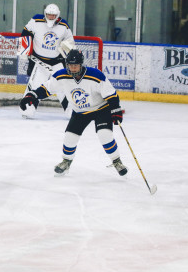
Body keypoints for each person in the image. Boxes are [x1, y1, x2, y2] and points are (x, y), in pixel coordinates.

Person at [23, 49, 128, 177]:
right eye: (70, 65)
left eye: (75, 65)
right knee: (70, 137)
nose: (73, 68)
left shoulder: (96, 75)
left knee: (104, 135)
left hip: (101, 109)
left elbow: (111, 95)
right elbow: (46, 88)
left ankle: (117, 161)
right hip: (79, 112)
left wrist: (115, 110)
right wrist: (32, 95)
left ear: (81, 64)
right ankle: (66, 162)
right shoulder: (61, 76)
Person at [19, 3, 75, 119]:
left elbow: (70, 43)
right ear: (45, 14)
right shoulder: (36, 20)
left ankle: (72, 111)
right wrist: (24, 49)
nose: (50, 17)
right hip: (39, 62)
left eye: (53, 15)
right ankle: (28, 110)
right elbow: (25, 32)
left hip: (57, 63)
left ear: (57, 15)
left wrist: (65, 52)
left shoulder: (64, 26)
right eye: (49, 15)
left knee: (63, 86)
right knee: (35, 86)